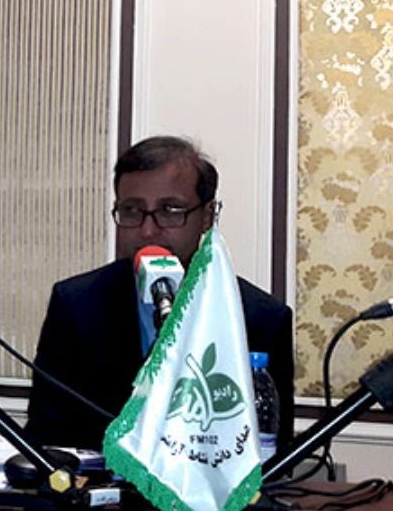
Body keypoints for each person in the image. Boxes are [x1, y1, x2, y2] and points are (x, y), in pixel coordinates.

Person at [24, 135, 294, 453]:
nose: (148, 230)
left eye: (170, 210)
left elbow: (273, 448)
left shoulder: (260, 318)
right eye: (131, 210)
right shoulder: (76, 304)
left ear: (207, 216)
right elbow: (46, 435)